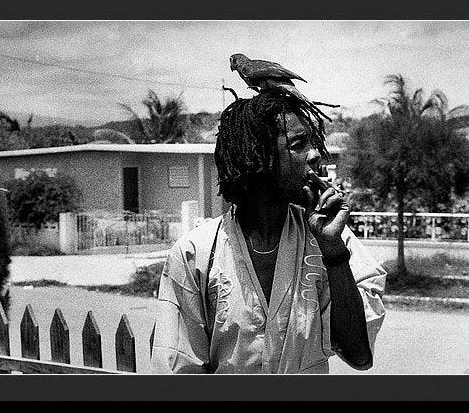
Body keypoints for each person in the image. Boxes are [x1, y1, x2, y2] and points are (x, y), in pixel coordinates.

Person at [151, 89, 386, 374]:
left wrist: (334, 254)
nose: (314, 155)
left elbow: (360, 356)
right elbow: (178, 369)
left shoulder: (330, 238)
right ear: (259, 157)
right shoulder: (196, 253)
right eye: (299, 144)